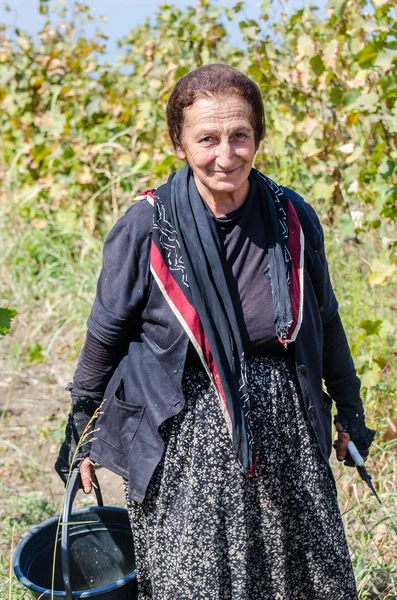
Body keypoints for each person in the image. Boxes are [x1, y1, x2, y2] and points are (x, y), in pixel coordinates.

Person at [56, 63, 375, 600]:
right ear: (179, 143)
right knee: (198, 585)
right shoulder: (147, 228)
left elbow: (324, 321)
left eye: (239, 136)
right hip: (183, 437)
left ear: (258, 138)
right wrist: (81, 428)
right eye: (207, 138)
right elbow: (106, 335)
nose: (225, 155)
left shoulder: (291, 218)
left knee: (302, 580)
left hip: (285, 431)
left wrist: (351, 412)